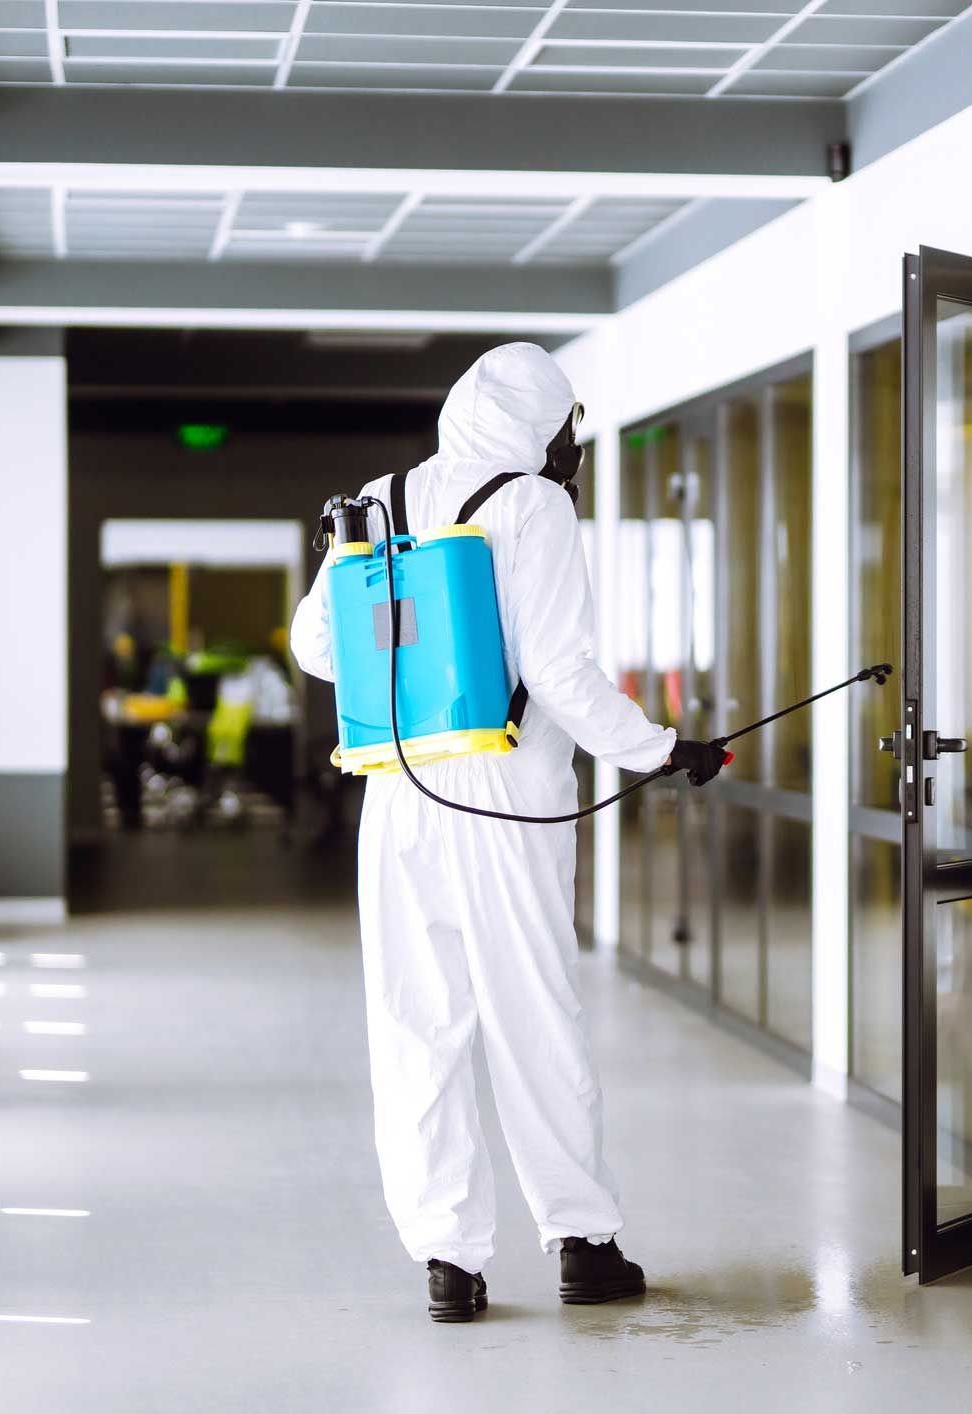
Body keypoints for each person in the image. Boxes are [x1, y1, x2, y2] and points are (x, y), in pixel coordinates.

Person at [291, 342, 726, 1323]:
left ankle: (447, 1261)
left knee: (416, 1024)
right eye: (566, 424)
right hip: (505, 791)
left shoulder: (380, 497)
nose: (570, 444)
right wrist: (659, 749)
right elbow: (563, 676)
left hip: (397, 786)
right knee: (530, 1011)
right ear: (536, 426)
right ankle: (580, 1238)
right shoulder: (532, 506)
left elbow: (317, 644)